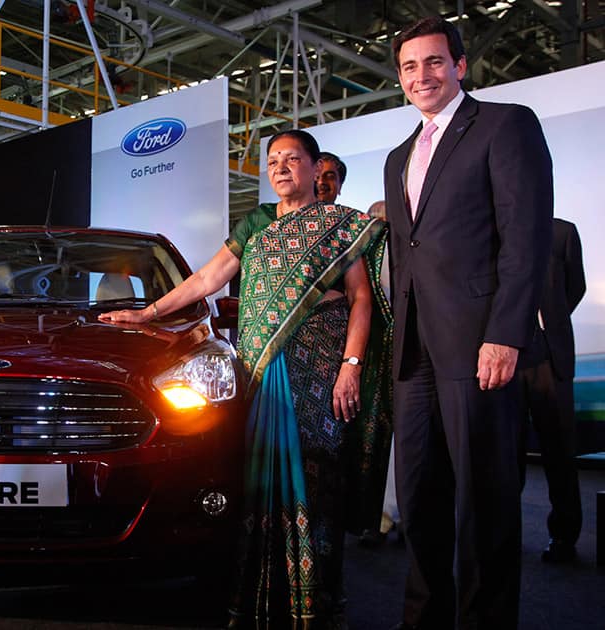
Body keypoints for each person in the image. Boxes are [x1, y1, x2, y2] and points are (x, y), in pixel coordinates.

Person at [100, 129, 391, 629]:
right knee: (260, 477)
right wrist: (148, 312)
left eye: (292, 159)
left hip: (321, 366)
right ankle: (261, 595)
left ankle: (316, 600)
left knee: (318, 477)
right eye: (273, 160)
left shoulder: (342, 226)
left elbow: (362, 298)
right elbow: (205, 281)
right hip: (262, 369)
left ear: (314, 166)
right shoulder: (256, 222)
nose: (280, 167)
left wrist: (351, 366)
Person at [383, 17, 553, 630]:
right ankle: (422, 620)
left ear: (459, 66)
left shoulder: (506, 126)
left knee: (483, 505)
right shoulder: (397, 157)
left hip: (480, 343)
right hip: (415, 355)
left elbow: (525, 237)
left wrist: (505, 333)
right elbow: (406, 255)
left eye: (433, 62)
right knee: (421, 498)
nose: (421, 75)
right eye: (409, 66)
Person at [518, 218, 585, 563]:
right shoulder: (490, 233)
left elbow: (576, 287)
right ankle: (503, 532)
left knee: (559, 452)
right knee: (506, 455)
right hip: (507, 357)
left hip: (551, 354)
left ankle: (564, 537)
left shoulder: (562, 232)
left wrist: (551, 322)